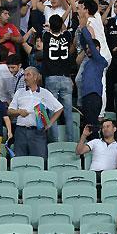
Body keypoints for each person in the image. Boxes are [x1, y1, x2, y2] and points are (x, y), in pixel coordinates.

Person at [8, 67, 63, 159]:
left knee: (39, 160)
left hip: (38, 132)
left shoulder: (45, 93)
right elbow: (9, 111)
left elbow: (59, 108)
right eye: (24, 75)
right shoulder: (19, 92)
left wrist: (49, 123)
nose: (25, 78)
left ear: (35, 77)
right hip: (20, 131)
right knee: (19, 161)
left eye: (28, 75)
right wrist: (19, 112)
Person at [42, 14, 75, 142]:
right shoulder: (67, 36)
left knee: (53, 112)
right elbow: (64, 29)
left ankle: (55, 141)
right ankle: (71, 141)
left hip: (51, 78)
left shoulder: (46, 36)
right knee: (68, 113)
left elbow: (49, 30)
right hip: (65, 78)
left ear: (50, 26)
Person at [77, 17, 109, 139]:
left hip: (93, 97)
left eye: (91, 48)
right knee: (88, 126)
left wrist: (84, 27)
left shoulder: (99, 60)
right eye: (87, 49)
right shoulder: (88, 63)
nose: (88, 50)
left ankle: (95, 145)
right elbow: (84, 43)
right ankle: (91, 146)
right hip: (86, 97)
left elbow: (90, 42)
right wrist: (81, 31)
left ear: (97, 49)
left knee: (92, 127)